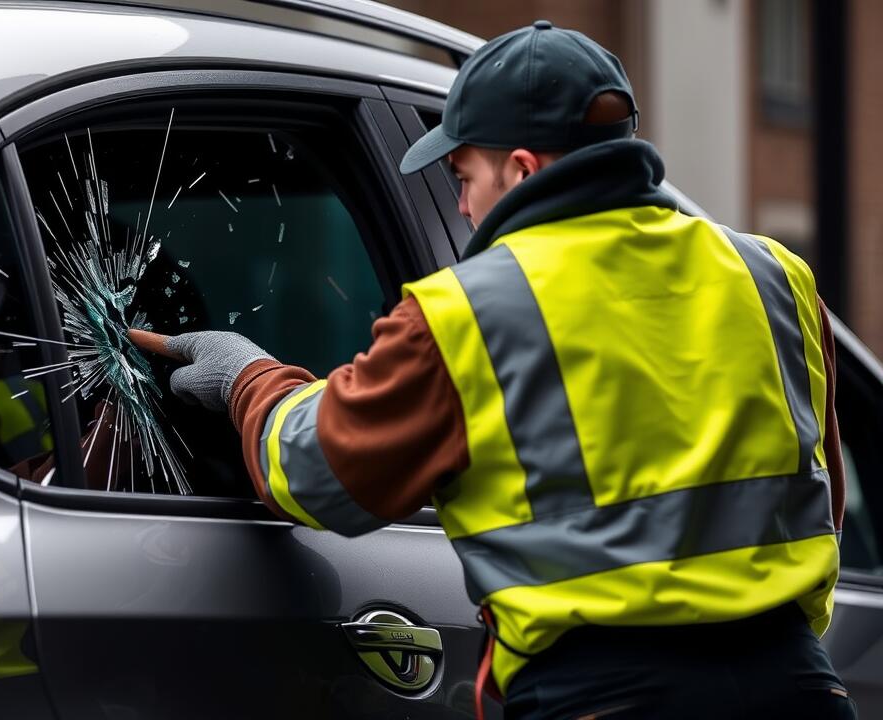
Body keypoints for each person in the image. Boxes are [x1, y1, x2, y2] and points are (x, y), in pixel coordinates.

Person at [130, 20, 856, 720]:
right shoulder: (772, 275)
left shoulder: (466, 314)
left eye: (462, 174)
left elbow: (321, 476)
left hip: (605, 697)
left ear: (521, 169)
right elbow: (824, 498)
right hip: (800, 689)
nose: (460, 204)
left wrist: (245, 377)